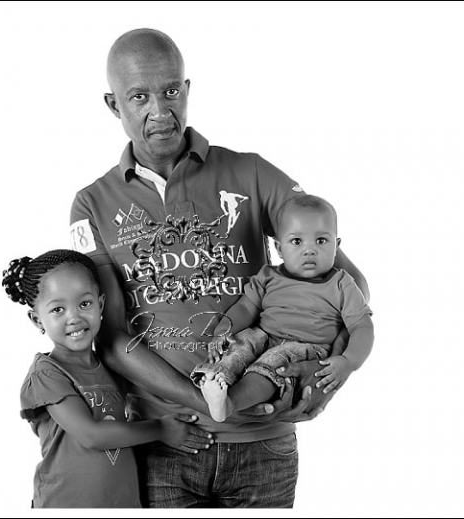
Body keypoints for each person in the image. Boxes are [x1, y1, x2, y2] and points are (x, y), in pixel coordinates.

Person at [69, 28, 370, 507]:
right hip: (166, 440)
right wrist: (209, 402)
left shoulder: (251, 173)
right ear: (113, 104)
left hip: (264, 439)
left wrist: (325, 371)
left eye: (171, 91)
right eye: (139, 97)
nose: (160, 111)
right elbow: (111, 337)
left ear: (187, 90)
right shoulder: (91, 204)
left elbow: (347, 282)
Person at [3, 249, 213, 508]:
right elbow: (91, 435)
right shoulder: (46, 373)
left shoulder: (110, 366)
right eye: (58, 309)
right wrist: (160, 429)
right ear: (37, 320)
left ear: (100, 304)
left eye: (85, 304)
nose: (74, 317)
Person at [191, 195, 374, 422]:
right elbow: (246, 307)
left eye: (321, 240)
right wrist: (223, 331)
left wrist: (348, 361)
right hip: (265, 335)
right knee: (240, 343)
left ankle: (230, 403)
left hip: (306, 347)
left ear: (336, 246)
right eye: (297, 241)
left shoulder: (341, 284)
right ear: (279, 248)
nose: (310, 250)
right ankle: (215, 379)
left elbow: (362, 327)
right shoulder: (269, 276)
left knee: (274, 363)